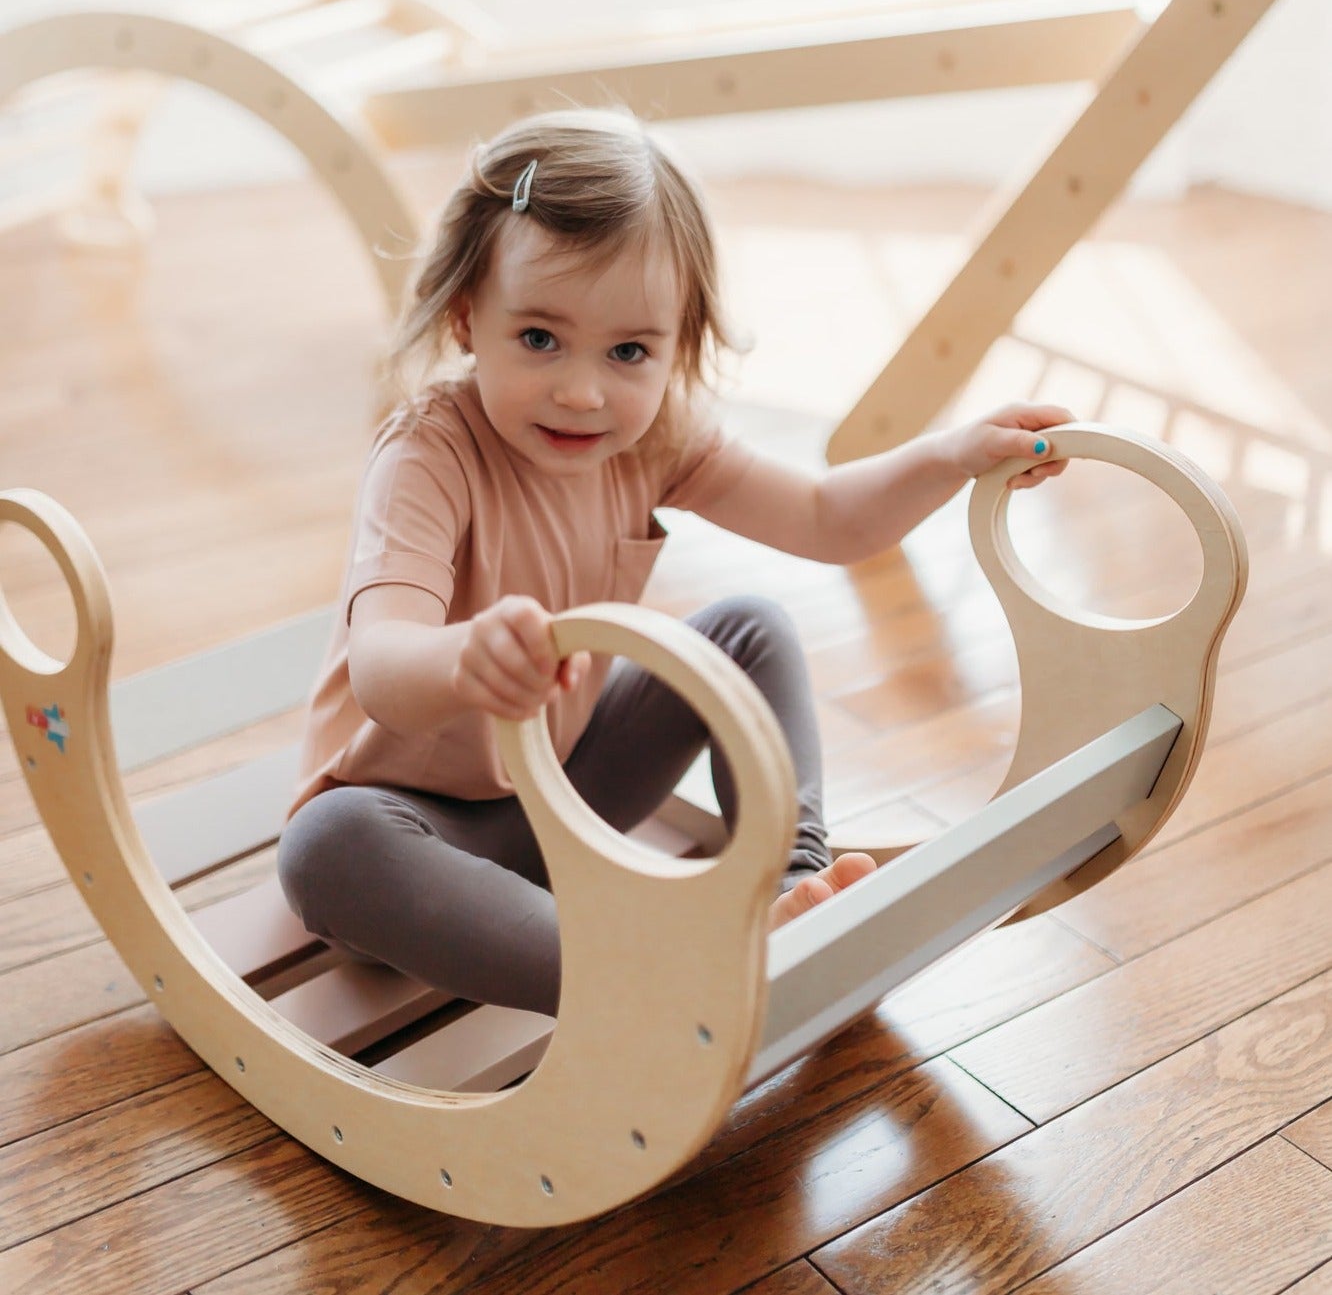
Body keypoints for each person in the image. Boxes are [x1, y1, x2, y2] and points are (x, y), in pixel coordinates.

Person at [277, 108, 1070, 1019]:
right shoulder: (426, 455)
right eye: (539, 338)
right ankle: (664, 985)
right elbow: (382, 668)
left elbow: (826, 518)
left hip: (563, 802)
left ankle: (796, 889)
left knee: (749, 629)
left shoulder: (654, 437)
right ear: (467, 317)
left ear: (675, 345)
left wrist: (950, 454)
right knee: (325, 846)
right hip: (413, 830)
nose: (582, 390)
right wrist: (464, 660)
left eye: (628, 352)